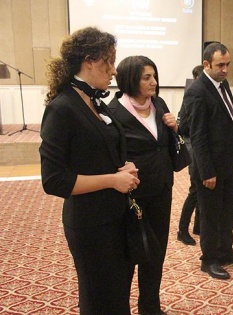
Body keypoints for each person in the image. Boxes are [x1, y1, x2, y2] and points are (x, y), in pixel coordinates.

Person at [39, 27, 139, 314]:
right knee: (98, 299)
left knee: (118, 294)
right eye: (108, 60)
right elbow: (54, 180)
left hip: (115, 216)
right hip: (90, 223)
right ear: (89, 61)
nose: (114, 69)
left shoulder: (96, 101)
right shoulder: (63, 108)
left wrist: (126, 167)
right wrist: (112, 179)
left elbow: (102, 151)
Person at [107, 55, 176, 315]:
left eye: (154, 76)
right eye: (147, 77)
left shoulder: (159, 104)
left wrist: (174, 126)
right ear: (129, 79)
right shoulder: (113, 112)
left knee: (156, 253)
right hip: (131, 196)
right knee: (128, 256)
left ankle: (150, 307)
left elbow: (165, 144)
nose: (154, 82)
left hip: (161, 192)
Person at [180, 42, 233, 280]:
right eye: (220, 65)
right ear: (206, 64)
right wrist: (207, 171)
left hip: (226, 163)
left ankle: (225, 251)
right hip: (209, 168)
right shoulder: (197, 91)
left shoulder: (222, 84)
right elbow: (197, 135)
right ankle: (209, 260)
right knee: (210, 215)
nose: (226, 69)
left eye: (228, 64)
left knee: (230, 208)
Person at [177, 65, 204, 246]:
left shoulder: (200, 93)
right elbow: (184, 125)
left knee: (202, 188)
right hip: (192, 143)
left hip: (198, 144)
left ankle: (198, 226)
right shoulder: (193, 95)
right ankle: (182, 230)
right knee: (195, 189)